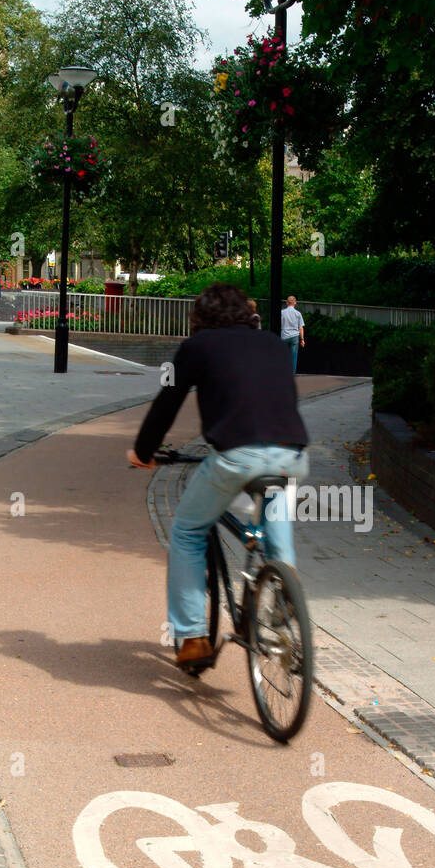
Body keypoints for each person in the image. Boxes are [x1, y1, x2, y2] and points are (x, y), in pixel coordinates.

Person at [127, 283, 310, 671]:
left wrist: (143, 453)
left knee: (189, 531)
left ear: (200, 318)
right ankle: (286, 606)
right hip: (290, 454)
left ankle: (192, 637)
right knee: (276, 535)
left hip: (236, 455)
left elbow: (166, 404)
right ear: (245, 312)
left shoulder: (197, 347)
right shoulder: (274, 344)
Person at [280, 295, 305, 371]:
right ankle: (292, 374)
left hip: (284, 335)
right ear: (295, 303)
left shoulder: (282, 312)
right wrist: (302, 339)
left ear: (287, 303)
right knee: (293, 357)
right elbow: (300, 328)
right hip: (294, 336)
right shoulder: (298, 313)